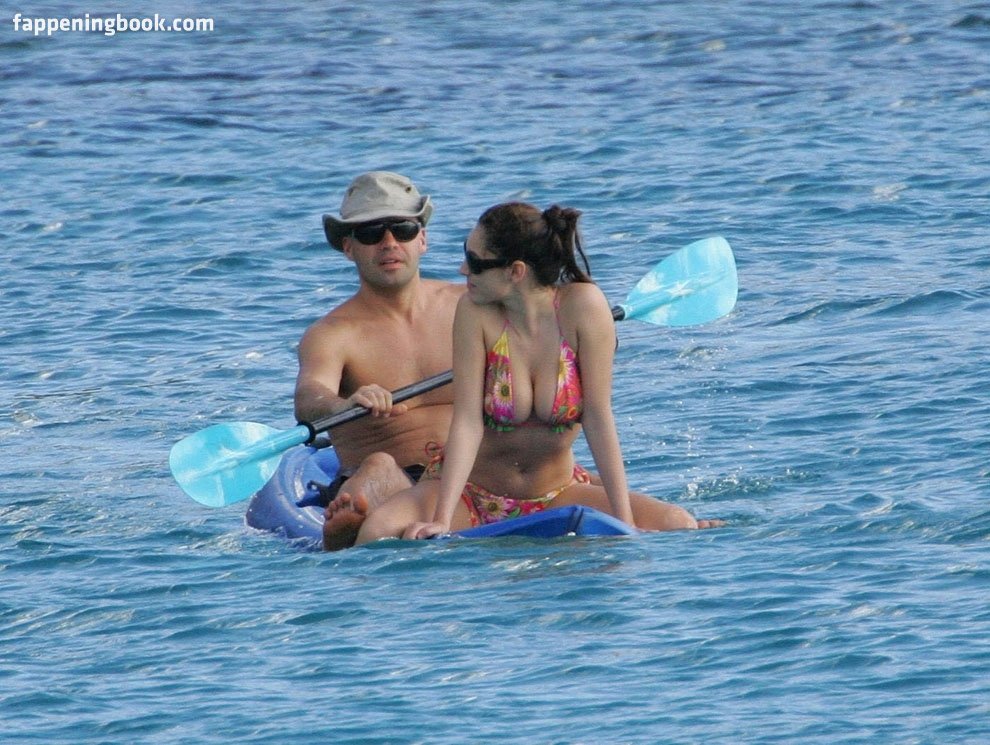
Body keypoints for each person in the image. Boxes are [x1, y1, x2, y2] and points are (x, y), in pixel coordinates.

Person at [323, 201, 714, 548]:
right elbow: (467, 423)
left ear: (516, 271)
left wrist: (624, 520)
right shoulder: (475, 313)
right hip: (471, 496)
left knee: (677, 523)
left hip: (556, 492)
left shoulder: (584, 306)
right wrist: (441, 518)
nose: (462, 269)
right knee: (377, 532)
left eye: (475, 262)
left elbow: (598, 418)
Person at [293, 171, 464, 549]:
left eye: (402, 229)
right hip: (396, 479)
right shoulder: (332, 333)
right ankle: (353, 516)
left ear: (422, 239)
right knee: (380, 466)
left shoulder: (469, 306)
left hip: (478, 471)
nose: (389, 243)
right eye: (371, 233)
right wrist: (344, 406)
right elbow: (308, 397)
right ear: (348, 247)